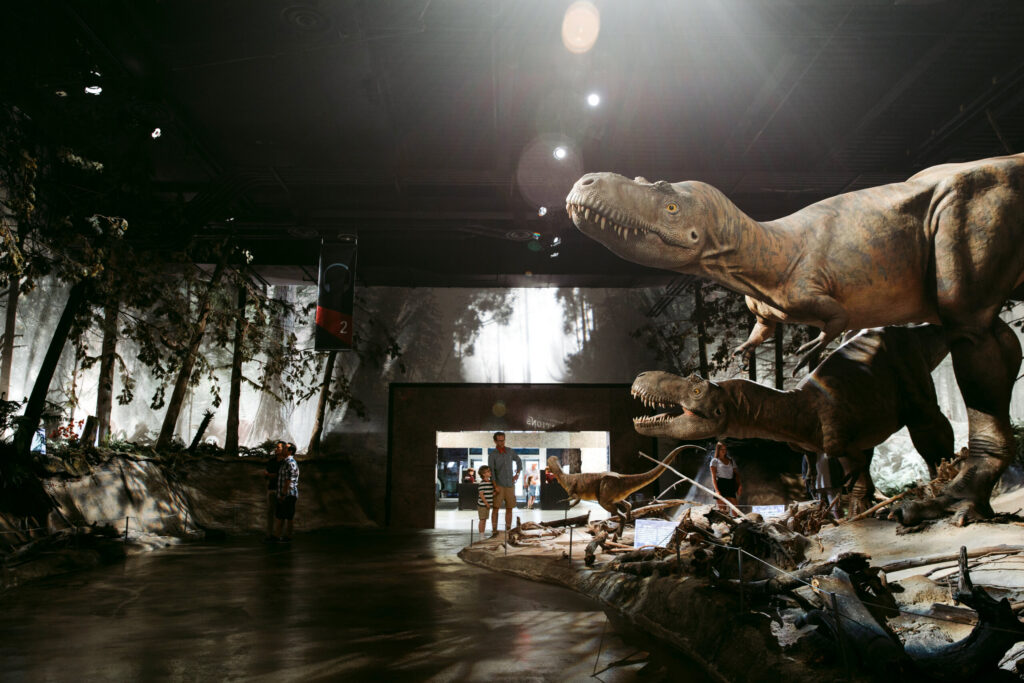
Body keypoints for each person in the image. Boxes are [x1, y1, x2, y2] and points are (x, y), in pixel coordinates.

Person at [487, 431, 522, 535]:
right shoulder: (492, 455)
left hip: (510, 485)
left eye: (503, 440)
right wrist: (495, 486)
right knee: (496, 508)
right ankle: (494, 530)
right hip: (498, 485)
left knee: (509, 508)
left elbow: (519, 461)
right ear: (495, 441)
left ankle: (508, 530)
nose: (501, 443)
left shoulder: (510, 451)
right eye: (499, 441)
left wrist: (517, 474)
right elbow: (491, 471)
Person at [273, 442, 300, 543]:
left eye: (285, 448)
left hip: (289, 494)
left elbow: (289, 480)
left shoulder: (290, 463)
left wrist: (283, 494)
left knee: (289, 516)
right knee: (280, 515)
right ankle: (277, 536)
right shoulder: (285, 462)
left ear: (290, 451)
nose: (283, 449)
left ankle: (288, 537)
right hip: (284, 493)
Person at [710, 441, 741, 514]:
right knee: (723, 511)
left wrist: (739, 486)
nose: (724, 451)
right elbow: (713, 477)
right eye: (722, 449)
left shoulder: (731, 460)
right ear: (718, 450)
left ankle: (737, 521)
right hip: (720, 484)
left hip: (730, 484)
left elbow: (736, 474)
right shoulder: (715, 461)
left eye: (725, 449)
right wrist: (717, 491)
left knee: (735, 510)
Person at [264, 441, 285, 541]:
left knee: (280, 513)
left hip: (280, 489)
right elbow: (266, 473)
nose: (276, 449)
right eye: (276, 447)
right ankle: (269, 534)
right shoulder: (272, 461)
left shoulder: (285, 463)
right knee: (270, 512)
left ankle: (278, 534)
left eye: (278, 447)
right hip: (271, 488)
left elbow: (279, 475)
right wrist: (270, 475)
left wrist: (270, 475)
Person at [476, 465, 494, 535]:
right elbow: (481, 495)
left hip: (487, 505)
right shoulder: (482, 483)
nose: (490, 472)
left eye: (489, 471)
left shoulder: (490, 482)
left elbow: (490, 493)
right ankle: (481, 534)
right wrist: (486, 503)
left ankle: (482, 532)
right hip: (482, 505)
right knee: (482, 520)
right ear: (483, 474)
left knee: (485, 520)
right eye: (488, 471)